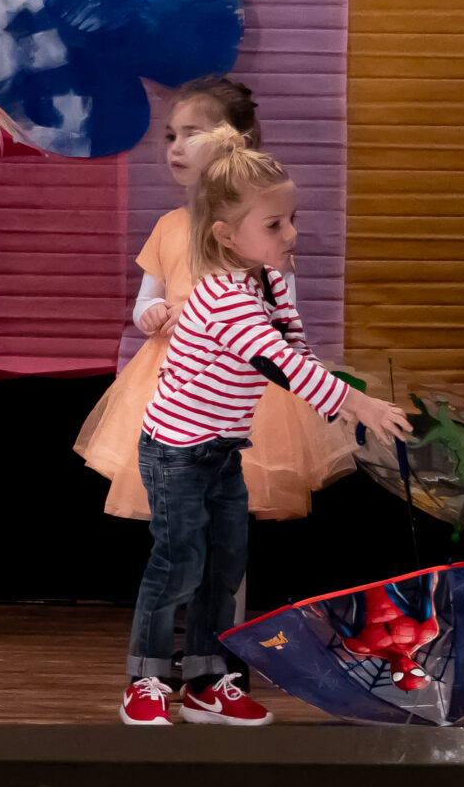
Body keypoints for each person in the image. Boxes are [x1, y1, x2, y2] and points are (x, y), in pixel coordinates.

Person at [117, 126, 411, 726]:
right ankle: (145, 678)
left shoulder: (267, 282)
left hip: (222, 450)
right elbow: (279, 363)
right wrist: (359, 405)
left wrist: (337, 401)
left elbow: (295, 348)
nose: (291, 234)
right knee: (178, 565)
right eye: (275, 225)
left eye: (291, 219)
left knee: (225, 567)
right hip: (176, 453)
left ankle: (206, 682)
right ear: (226, 235)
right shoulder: (224, 297)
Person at [75, 78, 354, 520]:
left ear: (235, 142)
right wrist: (152, 313)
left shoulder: (261, 232)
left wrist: (199, 314)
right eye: (171, 135)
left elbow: (280, 316)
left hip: (242, 384)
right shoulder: (169, 225)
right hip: (172, 379)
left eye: (192, 134)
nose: (176, 147)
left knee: (234, 498)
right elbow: (144, 301)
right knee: (178, 504)